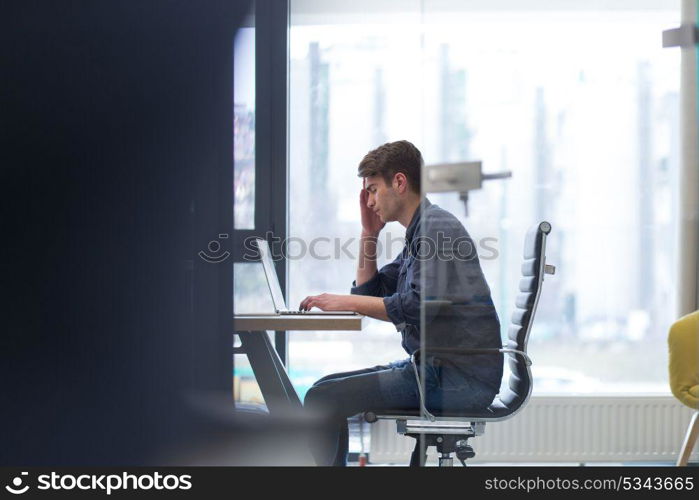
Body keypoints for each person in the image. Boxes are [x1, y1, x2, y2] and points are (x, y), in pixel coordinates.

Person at [299, 140, 503, 466]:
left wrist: (341, 301)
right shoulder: (421, 231)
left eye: (373, 190)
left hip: (457, 380)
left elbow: (416, 306)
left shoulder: (436, 229)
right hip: (437, 370)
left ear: (399, 182)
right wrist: (369, 233)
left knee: (322, 398)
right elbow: (372, 293)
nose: (368, 200)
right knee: (323, 388)